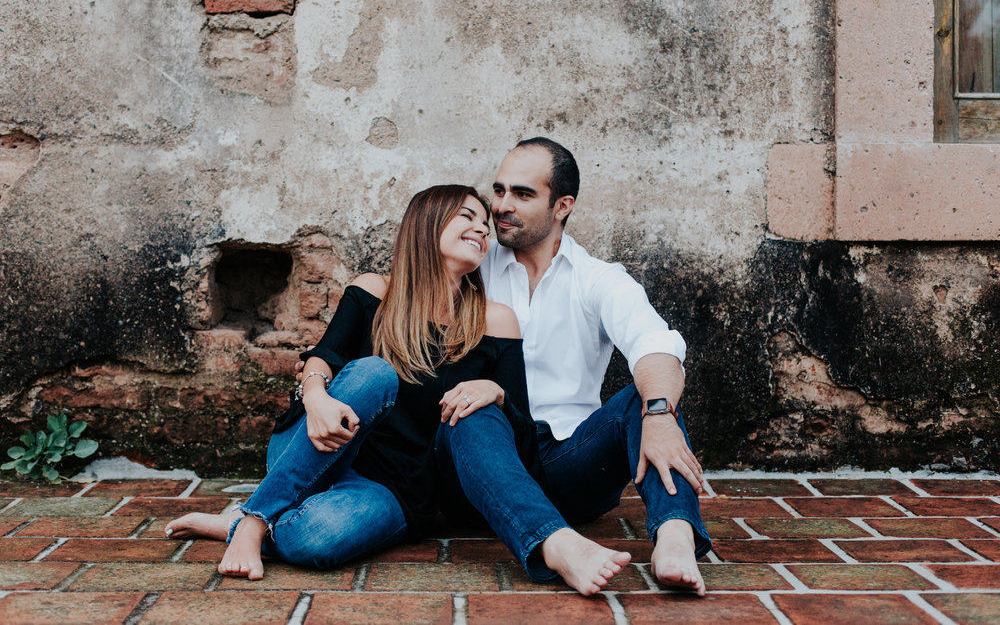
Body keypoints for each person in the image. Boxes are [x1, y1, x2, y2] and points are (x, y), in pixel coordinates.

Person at [164, 184, 630, 592]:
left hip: (396, 485)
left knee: (317, 541)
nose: (483, 229)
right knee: (374, 374)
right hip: (316, 443)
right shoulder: (374, 291)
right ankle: (253, 520)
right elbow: (323, 357)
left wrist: (498, 392)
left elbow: (522, 435)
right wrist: (318, 398)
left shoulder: (495, 320)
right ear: (427, 225)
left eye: (486, 224)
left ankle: (250, 519)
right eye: (468, 216)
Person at [438, 138, 711, 595]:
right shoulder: (473, 265)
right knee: (469, 409)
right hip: (483, 461)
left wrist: (659, 415)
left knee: (644, 398)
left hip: (568, 463)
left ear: (562, 205)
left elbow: (655, 345)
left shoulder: (598, 279)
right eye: (499, 190)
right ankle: (558, 547)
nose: (501, 206)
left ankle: (675, 535)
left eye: (522, 195)